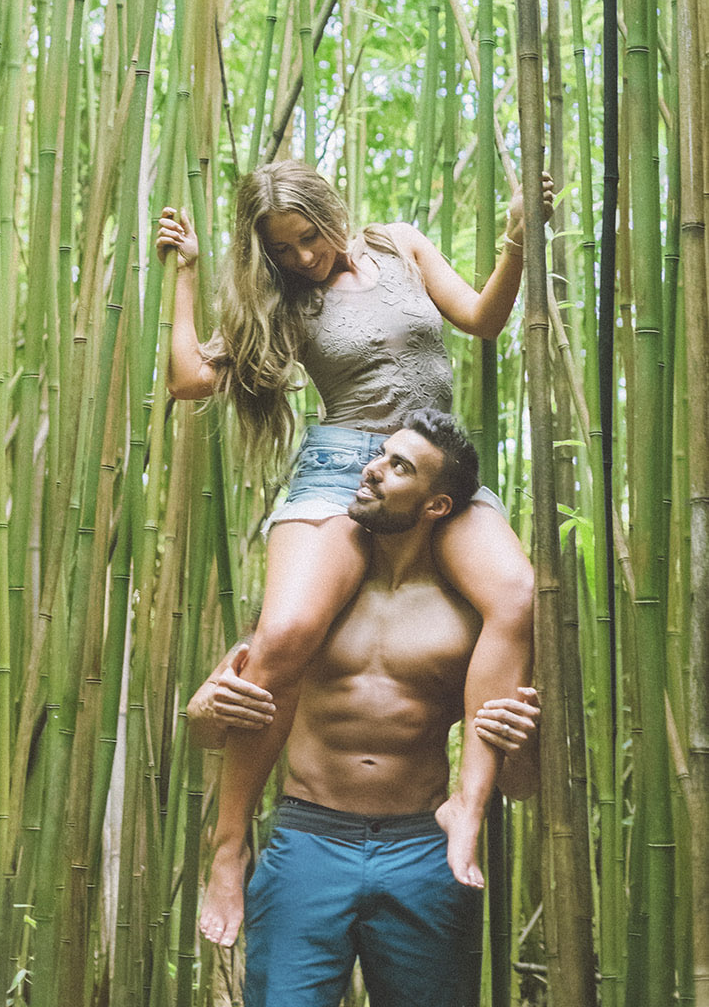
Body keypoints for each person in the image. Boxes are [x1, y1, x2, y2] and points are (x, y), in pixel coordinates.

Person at [157, 160, 550, 944]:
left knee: (515, 593)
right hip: (345, 469)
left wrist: (516, 240)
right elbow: (189, 381)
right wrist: (187, 276)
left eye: (308, 237)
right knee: (287, 635)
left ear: (329, 211)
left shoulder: (400, 244)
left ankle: (465, 805)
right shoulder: (282, 300)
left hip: (434, 462)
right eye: (282, 249)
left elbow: (480, 318)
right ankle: (229, 843)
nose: (301, 257)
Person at [187, 411, 540, 1007]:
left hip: (423, 851)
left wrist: (525, 741)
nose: (371, 469)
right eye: (379, 455)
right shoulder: (306, 605)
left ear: (436, 505)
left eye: (399, 467)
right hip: (307, 841)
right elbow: (215, 733)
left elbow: (525, 785)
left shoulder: (471, 620)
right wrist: (201, 711)